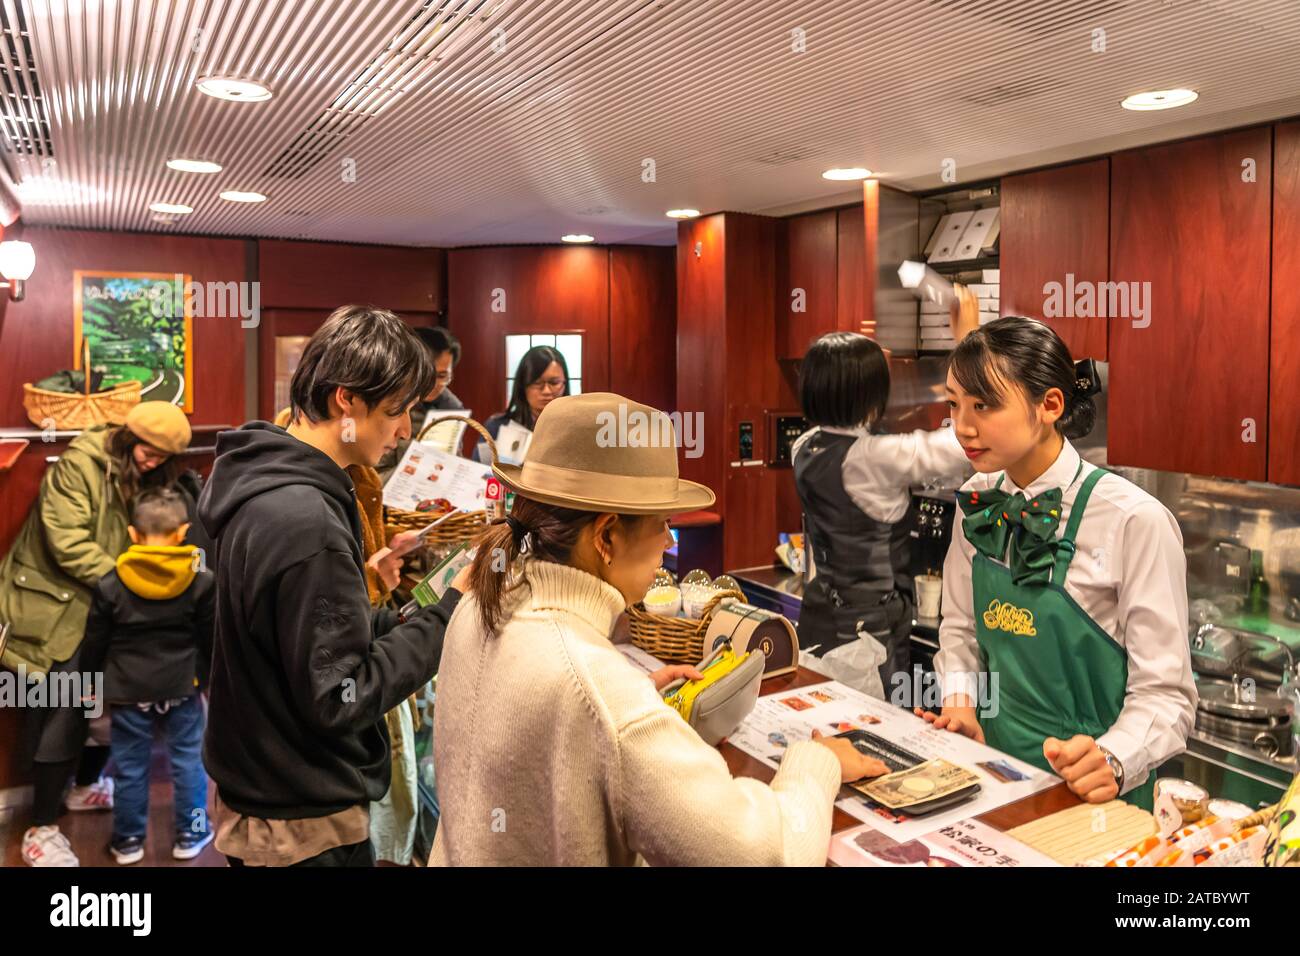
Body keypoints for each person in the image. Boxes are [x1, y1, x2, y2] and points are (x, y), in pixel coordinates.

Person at [431, 392, 888, 866]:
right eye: (663, 523)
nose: (670, 540)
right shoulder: (601, 692)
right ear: (607, 536)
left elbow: (527, 740)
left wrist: (634, 713)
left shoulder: (480, 605)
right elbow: (762, 855)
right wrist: (817, 763)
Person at [198, 304, 468, 867]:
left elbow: (297, 636)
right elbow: (340, 696)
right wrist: (448, 616)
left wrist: (399, 619)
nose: (403, 432)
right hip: (299, 818)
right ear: (346, 398)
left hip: (259, 789)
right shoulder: (305, 518)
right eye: (397, 411)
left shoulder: (261, 478)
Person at [920, 316, 1196, 809]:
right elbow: (960, 629)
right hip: (991, 782)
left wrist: (1111, 758)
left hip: (1095, 803)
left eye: (984, 405)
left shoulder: (1134, 522)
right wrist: (961, 703)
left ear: (1049, 405)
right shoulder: (979, 504)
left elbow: (1167, 696)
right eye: (954, 404)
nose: (961, 426)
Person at [0, 401, 192, 867]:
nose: (153, 463)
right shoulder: (78, 465)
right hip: (52, 605)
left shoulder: (146, 472)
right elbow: (68, 545)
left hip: (100, 603)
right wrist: (137, 583)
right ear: (128, 438)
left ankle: (84, 787)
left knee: (106, 701)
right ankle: (39, 830)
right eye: (148, 453)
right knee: (61, 711)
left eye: (163, 457)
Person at [792, 288, 978, 698]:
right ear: (869, 393)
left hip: (818, 618)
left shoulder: (803, 445)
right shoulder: (872, 458)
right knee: (873, 741)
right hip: (868, 638)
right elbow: (961, 448)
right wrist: (968, 342)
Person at [78, 487, 215, 864]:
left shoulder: (111, 581)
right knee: (189, 761)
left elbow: (95, 641)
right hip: (182, 687)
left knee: (129, 767)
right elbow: (210, 639)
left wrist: (90, 685)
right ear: (183, 531)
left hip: (127, 690)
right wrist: (207, 682)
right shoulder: (201, 580)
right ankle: (194, 831)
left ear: (133, 534)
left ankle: (127, 841)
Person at [378, 326, 464, 480]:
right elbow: (371, 479)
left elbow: (456, 461)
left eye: (442, 376)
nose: (432, 384)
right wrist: (420, 468)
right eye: (426, 374)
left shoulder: (452, 408)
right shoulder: (387, 404)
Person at [476, 345, 570, 462]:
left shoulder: (575, 428)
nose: (546, 391)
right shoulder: (496, 426)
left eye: (554, 382)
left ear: (565, 383)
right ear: (522, 385)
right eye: (537, 382)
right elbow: (480, 474)